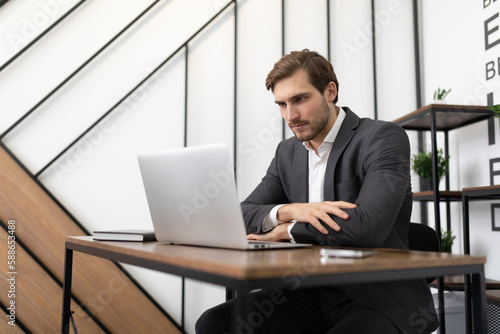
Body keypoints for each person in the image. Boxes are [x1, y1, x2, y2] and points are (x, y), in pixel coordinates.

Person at [196, 49, 439, 334]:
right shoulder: (287, 153)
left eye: (300, 99)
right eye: (282, 104)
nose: (291, 115)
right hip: (310, 291)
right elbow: (243, 212)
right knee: (213, 325)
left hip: (377, 298)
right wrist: (290, 211)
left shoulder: (382, 138)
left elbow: (367, 227)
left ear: (330, 91)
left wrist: (288, 230)